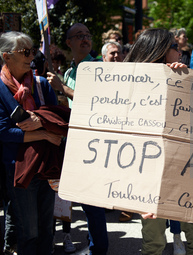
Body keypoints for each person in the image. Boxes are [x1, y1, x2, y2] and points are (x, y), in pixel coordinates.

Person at [124, 28, 193, 255]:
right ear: (158, 50)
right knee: (153, 243)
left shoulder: (186, 76)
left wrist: (183, 82)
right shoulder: (131, 84)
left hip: (187, 169)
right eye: (174, 46)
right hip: (149, 174)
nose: (180, 51)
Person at [47, 23, 109, 255]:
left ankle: (98, 249)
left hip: (93, 141)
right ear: (68, 43)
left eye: (87, 35)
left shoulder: (99, 67)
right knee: (81, 198)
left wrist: (63, 88)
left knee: (92, 202)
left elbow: (98, 100)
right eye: (79, 36)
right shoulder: (72, 71)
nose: (85, 39)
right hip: (74, 140)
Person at [0, 31, 63, 255]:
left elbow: (59, 120)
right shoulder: (1, 89)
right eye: (25, 52)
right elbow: (4, 132)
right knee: (29, 231)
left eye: (32, 51)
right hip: (18, 168)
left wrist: (42, 120)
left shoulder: (41, 85)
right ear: (6, 57)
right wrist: (44, 134)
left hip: (46, 165)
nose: (31, 56)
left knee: (47, 228)